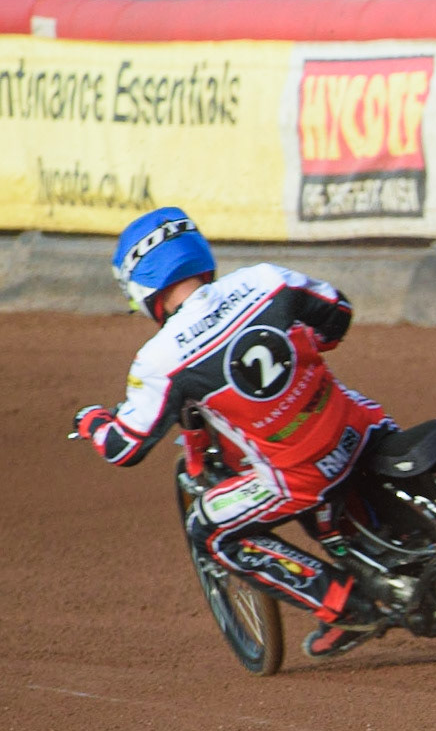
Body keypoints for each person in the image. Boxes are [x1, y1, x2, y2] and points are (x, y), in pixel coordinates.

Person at [72, 207, 395, 660]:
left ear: (143, 285)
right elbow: (337, 316)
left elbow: (123, 447)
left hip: (301, 474)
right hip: (357, 426)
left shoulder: (160, 358)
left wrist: (90, 421)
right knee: (343, 420)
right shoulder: (265, 281)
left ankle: (345, 604)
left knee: (210, 529)